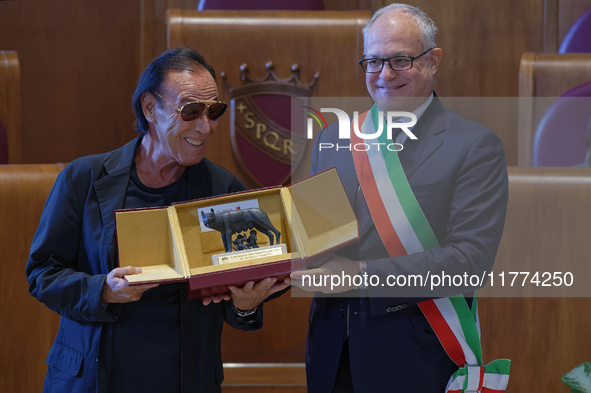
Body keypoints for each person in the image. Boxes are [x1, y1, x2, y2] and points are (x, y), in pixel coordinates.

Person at [26, 48, 289, 393]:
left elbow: (240, 286)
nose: (205, 127)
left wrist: (245, 305)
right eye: (190, 111)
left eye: (214, 112)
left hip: (184, 380)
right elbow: (43, 273)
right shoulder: (83, 178)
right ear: (150, 108)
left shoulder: (224, 191)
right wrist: (104, 289)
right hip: (92, 379)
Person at [290, 4, 509, 392]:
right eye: (373, 62)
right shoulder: (331, 140)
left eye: (401, 60)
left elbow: (469, 261)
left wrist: (359, 275)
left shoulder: (475, 146)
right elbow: (314, 241)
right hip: (330, 354)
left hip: (416, 357)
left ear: (433, 60)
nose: (385, 74)